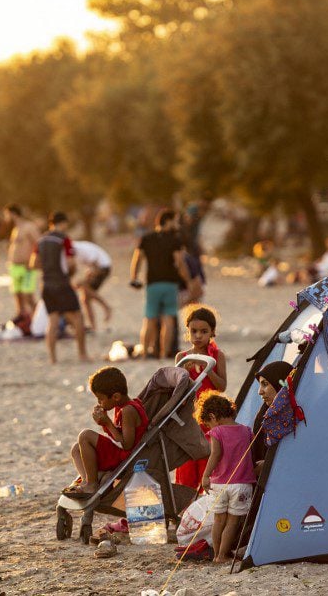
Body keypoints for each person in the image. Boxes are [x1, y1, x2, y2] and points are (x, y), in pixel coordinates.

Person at [67, 366, 149, 496]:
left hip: (126, 458)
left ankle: (92, 485)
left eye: (101, 399)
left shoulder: (128, 410)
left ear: (116, 396)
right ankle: (89, 479)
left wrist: (107, 423)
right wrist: (104, 424)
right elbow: (118, 436)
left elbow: (126, 445)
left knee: (85, 436)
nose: (99, 402)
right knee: (76, 449)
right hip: (119, 453)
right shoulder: (121, 406)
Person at [196, 392, 256, 563]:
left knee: (218, 520)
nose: (209, 427)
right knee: (232, 522)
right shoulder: (246, 431)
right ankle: (223, 555)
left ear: (213, 417)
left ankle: (216, 555)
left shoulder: (217, 432)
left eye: (207, 423)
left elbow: (215, 454)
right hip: (242, 484)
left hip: (220, 484)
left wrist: (206, 475)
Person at [173, 305, 227, 490]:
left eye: (203, 331)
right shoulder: (183, 357)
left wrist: (208, 370)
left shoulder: (218, 356)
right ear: (188, 332)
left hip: (211, 418)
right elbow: (177, 392)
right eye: (194, 331)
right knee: (187, 463)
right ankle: (185, 504)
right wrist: (184, 374)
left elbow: (222, 386)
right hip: (189, 417)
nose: (198, 336)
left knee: (208, 460)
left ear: (212, 332)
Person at [130, 209, 190, 359]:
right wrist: (187, 280)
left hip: (153, 284)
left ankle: (144, 352)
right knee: (169, 319)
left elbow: (137, 259)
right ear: (167, 221)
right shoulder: (174, 240)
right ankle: (164, 353)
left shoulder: (147, 238)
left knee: (149, 319)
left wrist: (134, 277)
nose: (176, 224)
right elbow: (179, 262)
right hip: (170, 284)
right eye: (174, 221)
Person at [29, 211, 88, 364]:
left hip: (46, 284)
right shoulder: (64, 239)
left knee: (53, 320)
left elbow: (33, 264)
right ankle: (82, 355)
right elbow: (70, 263)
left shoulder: (41, 240)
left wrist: (48, 269)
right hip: (61, 283)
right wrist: (70, 274)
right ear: (64, 223)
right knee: (77, 318)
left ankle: (52, 358)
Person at [250, 360, 294, 476]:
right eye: (260, 385)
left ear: (279, 384)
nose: (260, 392)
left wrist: (270, 464)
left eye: (265, 384)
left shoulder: (297, 414)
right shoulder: (264, 413)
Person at [4, 203, 40, 318]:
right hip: (15, 266)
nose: (6, 218)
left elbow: (38, 244)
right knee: (17, 294)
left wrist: (33, 261)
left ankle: (37, 318)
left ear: (13, 214)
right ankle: (23, 318)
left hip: (27, 266)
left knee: (28, 295)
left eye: (7, 214)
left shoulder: (29, 226)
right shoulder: (15, 229)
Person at [73, 239, 113, 331]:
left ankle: (106, 307)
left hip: (103, 267)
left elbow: (94, 266)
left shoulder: (80, 250)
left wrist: (82, 281)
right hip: (98, 267)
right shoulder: (77, 249)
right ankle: (93, 326)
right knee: (85, 298)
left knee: (84, 288)